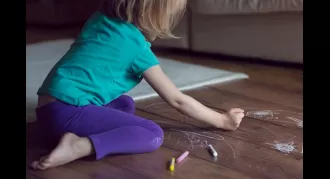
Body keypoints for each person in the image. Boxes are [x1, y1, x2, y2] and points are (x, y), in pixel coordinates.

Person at [31, 0, 245, 170]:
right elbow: (177, 100)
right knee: (152, 134)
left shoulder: (99, 19)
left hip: (47, 112)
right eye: (170, 15)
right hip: (67, 114)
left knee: (124, 103)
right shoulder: (137, 49)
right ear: (151, 13)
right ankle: (79, 145)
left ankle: (67, 136)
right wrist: (223, 120)